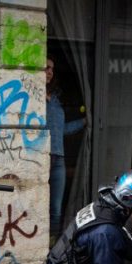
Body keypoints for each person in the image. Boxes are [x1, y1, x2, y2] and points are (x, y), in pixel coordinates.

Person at [46, 56, 86, 240]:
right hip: (41, 156)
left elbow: (63, 130)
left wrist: (86, 121)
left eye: (52, 69)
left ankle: (51, 245)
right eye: (46, 67)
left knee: (55, 207)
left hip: (59, 158)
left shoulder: (55, 99)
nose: (49, 72)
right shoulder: (34, 97)